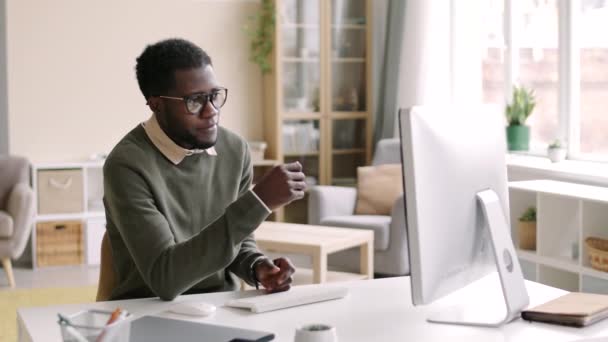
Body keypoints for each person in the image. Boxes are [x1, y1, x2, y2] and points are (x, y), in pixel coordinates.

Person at [102, 38, 306, 301]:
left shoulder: (234, 150)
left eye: (214, 96)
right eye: (195, 101)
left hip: (219, 307)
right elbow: (165, 278)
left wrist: (256, 267)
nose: (211, 112)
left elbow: (236, 241)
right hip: (147, 310)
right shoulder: (127, 165)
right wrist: (259, 201)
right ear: (156, 104)